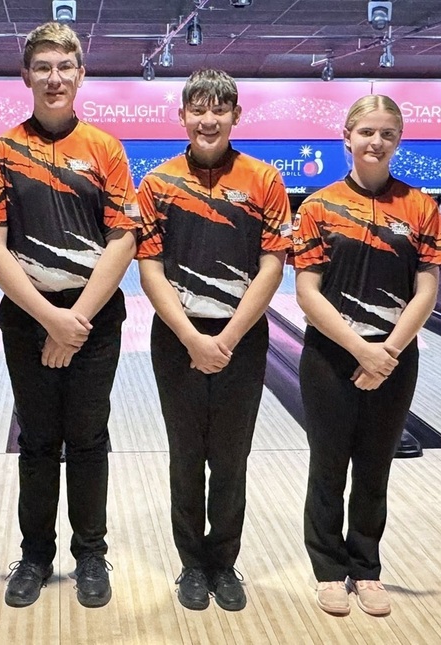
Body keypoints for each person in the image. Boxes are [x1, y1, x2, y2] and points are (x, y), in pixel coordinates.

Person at [0, 21, 140, 609]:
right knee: (39, 440)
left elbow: (123, 239)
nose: (53, 78)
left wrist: (77, 321)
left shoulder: (106, 149)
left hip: (94, 321)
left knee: (90, 439)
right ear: (26, 76)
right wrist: (49, 318)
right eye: (41, 67)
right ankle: (36, 556)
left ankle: (90, 554)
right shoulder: (0, 151)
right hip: (28, 318)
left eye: (63, 67)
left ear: (80, 74)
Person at [137, 69, 292, 612]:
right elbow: (149, 269)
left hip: (241, 339)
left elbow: (273, 266)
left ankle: (224, 563)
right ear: (182, 115)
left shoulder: (265, 179)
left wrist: (225, 337)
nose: (208, 119)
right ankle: (192, 565)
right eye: (198, 109)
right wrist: (191, 337)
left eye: (219, 109)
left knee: (230, 457)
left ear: (235, 116)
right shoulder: (158, 183)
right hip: (177, 339)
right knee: (186, 455)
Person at [292, 94, 441, 617]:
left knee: (374, 469)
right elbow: (308, 292)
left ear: (398, 141)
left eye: (386, 133)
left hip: (395, 358)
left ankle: (366, 568)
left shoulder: (422, 206)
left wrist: (389, 352)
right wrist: (362, 349)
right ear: (347, 137)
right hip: (330, 358)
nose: (375, 142)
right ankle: (327, 568)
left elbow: (426, 290)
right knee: (329, 465)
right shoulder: (317, 207)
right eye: (366, 132)